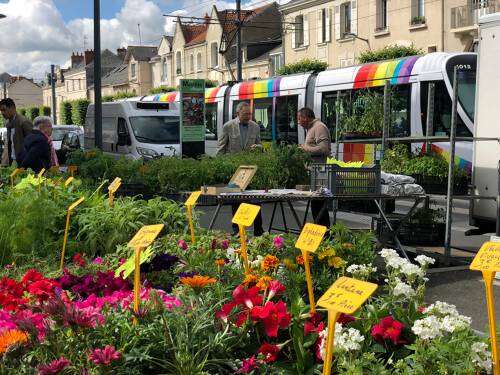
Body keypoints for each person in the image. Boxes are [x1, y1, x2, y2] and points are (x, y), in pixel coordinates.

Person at [217, 102, 264, 236]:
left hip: (251, 169)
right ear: (238, 114)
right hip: (234, 169)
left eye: (250, 114)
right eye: (245, 114)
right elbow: (220, 150)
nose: (248, 116)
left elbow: (260, 145)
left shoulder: (255, 127)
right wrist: (219, 168)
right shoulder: (228, 127)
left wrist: (259, 148)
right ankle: (237, 230)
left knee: (255, 199)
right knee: (236, 200)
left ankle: (258, 230)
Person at [297, 107, 332, 228]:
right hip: (313, 173)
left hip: (319, 174)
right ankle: (322, 231)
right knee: (316, 204)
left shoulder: (319, 127)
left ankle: (325, 232)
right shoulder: (311, 128)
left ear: (306, 118)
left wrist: (305, 148)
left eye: (299, 118)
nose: (298, 122)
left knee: (318, 204)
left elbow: (324, 148)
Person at [0, 98, 33, 166]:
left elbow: (32, 144)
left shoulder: (24, 122)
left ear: (12, 108)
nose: (2, 113)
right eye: (1, 110)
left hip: (24, 162)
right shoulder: (8, 123)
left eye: (4, 110)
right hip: (13, 161)